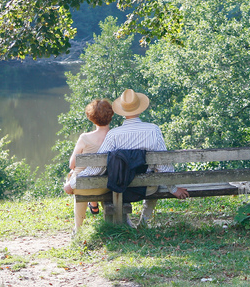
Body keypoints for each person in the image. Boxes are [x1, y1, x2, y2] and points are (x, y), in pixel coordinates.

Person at [66, 88, 189, 227]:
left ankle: (126, 221)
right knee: (156, 175)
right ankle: (144, 221)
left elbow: (97, 167)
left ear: (122, 111)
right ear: (140, 109)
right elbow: (163, 164)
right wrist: (173, 188)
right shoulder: (153, 130)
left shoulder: (114, 135)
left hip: (122, 185)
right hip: (148, 186)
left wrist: (73, 183)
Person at [63, 99, 114, 233]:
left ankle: (78, 228)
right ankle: (94, 204)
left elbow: (72, 164)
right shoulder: (116, 137)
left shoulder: (85, 138)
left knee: (75, 176)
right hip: (106, 186)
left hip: (82, 187)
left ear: (91, 118)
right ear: (111, 115)